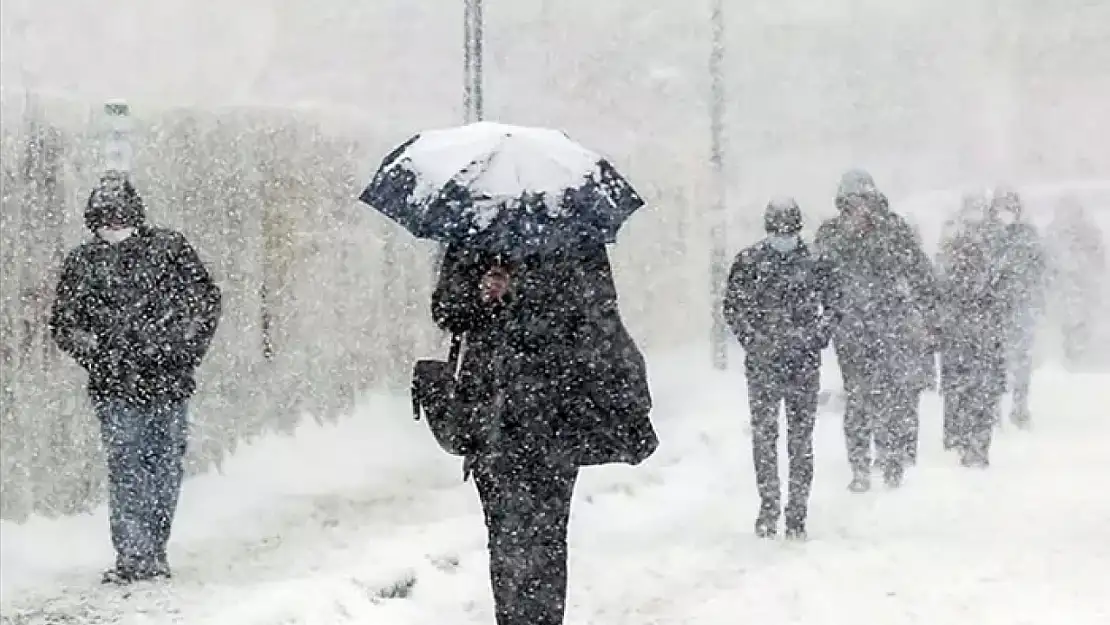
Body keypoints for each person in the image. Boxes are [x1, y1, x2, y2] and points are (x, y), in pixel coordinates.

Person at [431, 241, 656, 625]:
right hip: (492, 418)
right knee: (505, 538)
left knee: (547, 539)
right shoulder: (473, 237)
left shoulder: (575, 240)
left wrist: (534, 302)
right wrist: (481, 294)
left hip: (557, 416)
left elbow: (599, 315)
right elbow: (445, 310)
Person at [49, 173, 222, 583]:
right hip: (116, 386)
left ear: (135, 213)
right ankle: (133, 555)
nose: (112, 224)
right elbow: (64, 324)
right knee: (128, 467)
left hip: (168, 381)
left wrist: (180, 348)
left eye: (119, 214)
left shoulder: (170, 249)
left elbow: (204, 304)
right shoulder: (83, 262)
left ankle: (152, 550)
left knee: (162, 468)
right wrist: (101, 355)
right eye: (104, 216)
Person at [723, 197, 839, 540]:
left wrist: (816, 336)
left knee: (800, 439)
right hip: (764, 363)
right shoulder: (749, 261)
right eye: (777, 230)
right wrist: (754, 340)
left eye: (788, 230)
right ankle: (769, 505)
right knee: (765, 437)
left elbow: (835, 305)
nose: (783, 236)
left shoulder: (817, 261)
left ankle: (797, 512)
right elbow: (733, 307)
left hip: (803, 362)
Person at [815, 170, 938, 492]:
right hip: (850, 329)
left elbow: (920, 272)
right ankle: (859, 466)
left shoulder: (893, 230)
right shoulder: (831, 233)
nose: (858, 208)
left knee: (891, 395)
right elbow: (818, 275)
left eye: (863, 200)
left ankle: (891, 458)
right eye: (851, 202)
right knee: (858, 397)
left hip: (890, 325)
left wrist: (929, 315)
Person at [936, 193, 1008, 467]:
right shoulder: (955, 258)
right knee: (967, 393)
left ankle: (975, 444)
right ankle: (968, 441)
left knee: (978, 393)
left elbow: (1002, 295)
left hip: (978, 337)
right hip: (965, 337)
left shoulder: (990, 262)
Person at [987, 187, 1045, 428]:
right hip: (995, 307)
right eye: (1001, 208)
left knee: (1021, 360)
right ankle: (993, 410)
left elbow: (1041, 267)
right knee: (994, 360)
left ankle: (1019, 408)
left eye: (1009, 208)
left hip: (1022, 305)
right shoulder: (990, 236)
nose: (1005, 214)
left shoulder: (1027, 236)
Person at [1045, 197, 1105, 367]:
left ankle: (1080, 356)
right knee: (1066, 323)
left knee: (1081, 323)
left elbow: (1098, 262)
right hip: (1064, 290)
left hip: (1082, 289)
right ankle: (1069, 357)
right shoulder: (1053, 234)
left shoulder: (1089, 234)